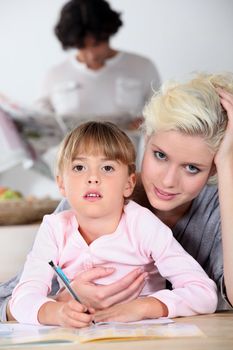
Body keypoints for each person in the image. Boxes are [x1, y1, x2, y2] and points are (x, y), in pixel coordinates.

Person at [2, 72, 233, 322]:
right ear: (146, 137)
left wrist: (227, 162)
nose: (168, 181)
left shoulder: (213, 205)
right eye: (160, 155)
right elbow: (11, 299)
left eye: (192, 168)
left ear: (214, 168)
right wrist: (61, 303)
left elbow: (208, 294)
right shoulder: (85, 199)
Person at [36, 0, 160, 128]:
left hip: (127, 147)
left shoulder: (142, 67)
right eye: (82, 46)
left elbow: (162, 119)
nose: (91, 55)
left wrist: (147, 124)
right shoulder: (54, 75)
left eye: (97, 44)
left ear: (109, 33)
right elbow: (41, 125)